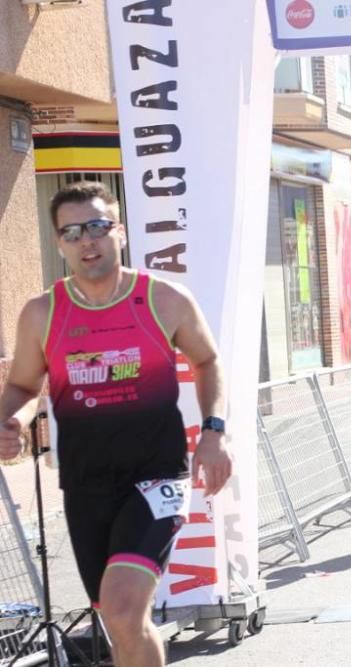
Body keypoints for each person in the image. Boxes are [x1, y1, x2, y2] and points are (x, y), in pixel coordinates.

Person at [0, 182, 233, 667]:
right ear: (60, 243)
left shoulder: (163, 298)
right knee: (117, 620)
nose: (87, 241)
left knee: (125, 611)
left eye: (98, 226)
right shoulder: (43, 313)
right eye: (72, 232)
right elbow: (23, 387)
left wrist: (213, 432)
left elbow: (207, 361)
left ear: (119, 233)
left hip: (156, 476)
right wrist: (13, 422)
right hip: (86, 484)